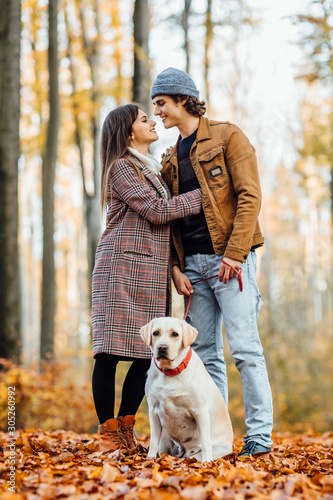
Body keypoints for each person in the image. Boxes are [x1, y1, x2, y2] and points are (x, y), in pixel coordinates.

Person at [151, 67, 273, 458]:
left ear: (183, 99)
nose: (158, 112)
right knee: (204, 357)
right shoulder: (169, 160)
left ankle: (259, 437)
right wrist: (174, 268)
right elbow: (169, 219)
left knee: (245, 351)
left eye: (162, 103)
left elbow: (250, 196)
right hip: (192, 272)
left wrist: (236, 255)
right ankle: (215, 442)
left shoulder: (227, 136)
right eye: (155, 105)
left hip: (230, 263)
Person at [91, 103, 202, 453]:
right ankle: (109, 435)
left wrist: (173, 269)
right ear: (127, 133)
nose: (152, 121)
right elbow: (156, 212)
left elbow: (162, 229)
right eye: (144, 119)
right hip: (119, 271)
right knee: (108, 354)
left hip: (151, 275)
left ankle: (126, 429)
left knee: (145, 356)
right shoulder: (121, 167)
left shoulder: (151, 169)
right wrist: (203, 197)